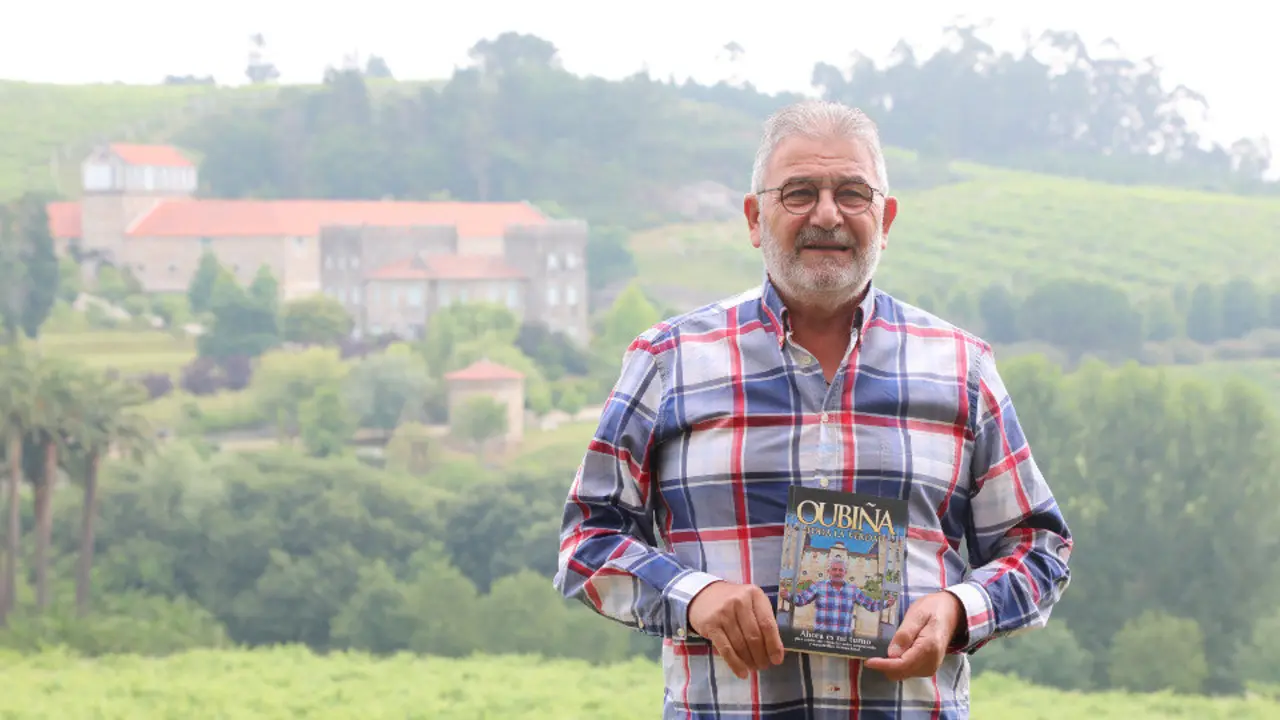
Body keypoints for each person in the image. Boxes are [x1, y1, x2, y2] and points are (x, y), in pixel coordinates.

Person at [553, 99, 1073, 719]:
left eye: (853, 193)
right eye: (799, 192)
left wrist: (959, 609)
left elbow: (1038, 548)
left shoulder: (962, 367)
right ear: (754, 217)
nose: (827, 214)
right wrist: (694, 597)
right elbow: (587, 539)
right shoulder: (670, 361)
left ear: (886, 219)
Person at [782, 553, 898, 636]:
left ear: (845, 573)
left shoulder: (853, 590)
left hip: (844, 641)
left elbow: (871, 605)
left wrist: (886, 603)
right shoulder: (818, 586)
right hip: (820, 638)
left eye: (840, 570)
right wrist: (787, 595)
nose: (837, 573)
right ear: (829, 571)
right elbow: (800, 600)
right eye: (834, 569)